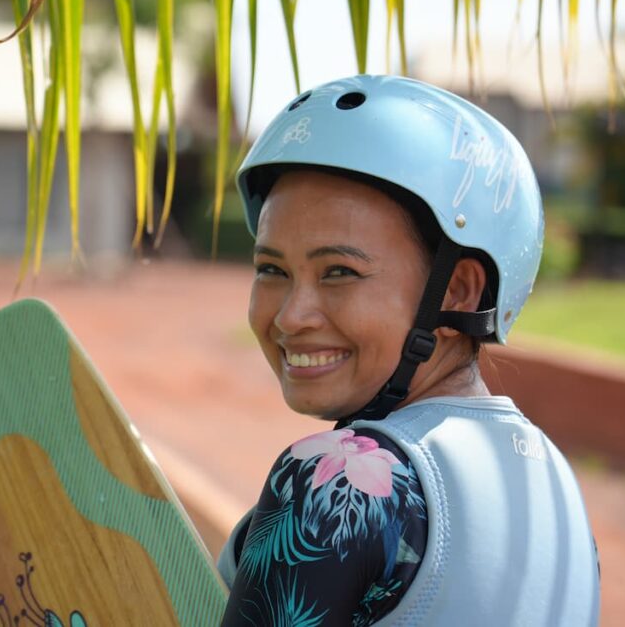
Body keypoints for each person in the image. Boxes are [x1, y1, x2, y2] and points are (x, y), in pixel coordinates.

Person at [217, 75, 600, 626]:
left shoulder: (336, 478)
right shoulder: (558, 492)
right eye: (271, 269)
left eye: (340, 272)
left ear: (458, 291)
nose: (290, 315)